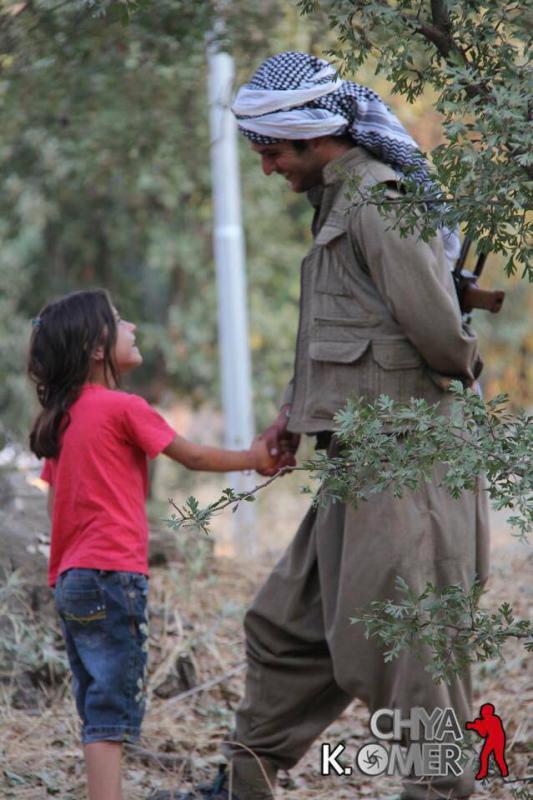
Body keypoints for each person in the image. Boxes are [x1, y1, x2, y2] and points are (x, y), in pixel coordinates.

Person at [156, 52, 490, 800]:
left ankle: (440, 791)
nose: (268, 167)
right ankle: (240, 783)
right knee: (285, 627)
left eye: (271, 151)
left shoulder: (375, 200)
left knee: (410, 651)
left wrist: (458, 376)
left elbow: (440, 338)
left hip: (409, 463)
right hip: (357, 463)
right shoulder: (339, 204)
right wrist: (292, 413)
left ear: (312, 137)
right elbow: (344, 329)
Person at [28, 288, 276, 800]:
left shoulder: (64, 418)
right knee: (112, 710)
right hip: (113, 576)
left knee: (96, 704)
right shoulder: (124, 408)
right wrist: (255, 457)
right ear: (97, 349)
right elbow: (195, 458)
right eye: (120, 322)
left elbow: (57, 510)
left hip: (71, 580)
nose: (133, 327)